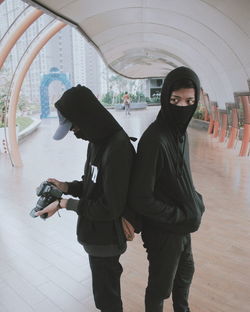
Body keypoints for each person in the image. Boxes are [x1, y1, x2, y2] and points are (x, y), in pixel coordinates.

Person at [36, 85, 135, 312]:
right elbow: (91, 185)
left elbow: (110, 207)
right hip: (94, 236)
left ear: (87, 117)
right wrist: (66, 187)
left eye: (74, 126)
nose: (75, 132)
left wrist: (63, 203)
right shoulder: (96, 142)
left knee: (108, 300)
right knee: (103, 298)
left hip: (107, 239)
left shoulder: (118, 148)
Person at [129, 67, 205, 312]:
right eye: (175, 100)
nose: (183, 107)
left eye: (189, 101)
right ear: (165, 98)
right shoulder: (154, 140)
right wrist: (182, 216)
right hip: (163, 232)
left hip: (182, 227)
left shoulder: (180, 135)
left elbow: (183, 179)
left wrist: (196, 201)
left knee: (184, 278)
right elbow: (141, 197)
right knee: (160, 289)